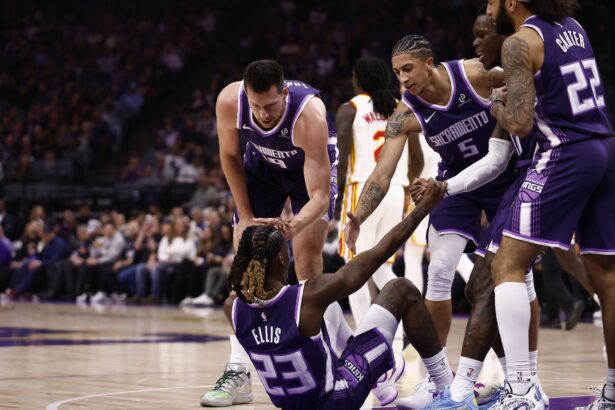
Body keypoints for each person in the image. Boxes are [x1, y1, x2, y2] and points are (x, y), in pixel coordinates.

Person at [343, 33, 516, 408]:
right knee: (438, 271)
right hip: (454, 185)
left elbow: (522, 76)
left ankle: (520, 380)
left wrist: (510, 108)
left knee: (509, 279)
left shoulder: (474, 75)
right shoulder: (405, 114)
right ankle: (439, 381)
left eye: (408, 69)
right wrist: (357, 216)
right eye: (396, 73)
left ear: (429, 63)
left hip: (505, 175)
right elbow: (382, 175)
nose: (402, 79)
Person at [484, 0, 615, 408]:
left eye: (491, 1)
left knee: (506, 263)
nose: (488, 9)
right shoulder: (574, 26)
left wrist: (498, 106)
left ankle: (521, 391)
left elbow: (521, 123)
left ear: (511, 3)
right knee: (607, 278)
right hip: (605, 146)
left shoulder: (519, 42)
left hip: (567, 150)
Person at [225, 181, 454, 410]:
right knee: (402, 289)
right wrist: (423, 208)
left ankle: (383, 378)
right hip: (338, 400)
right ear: (282, 259)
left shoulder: (232, 308)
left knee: (330, 312)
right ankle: (445, 386)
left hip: (293, 404)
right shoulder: (307, 298)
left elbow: (263, 310)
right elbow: (379, 252)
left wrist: (260, 236)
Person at [201, 59, 338, 406]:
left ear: (285, 94)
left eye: (271, 105)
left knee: (306, 264)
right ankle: (238, 372)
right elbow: (229, 156)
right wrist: (245, 217)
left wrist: (293, 227)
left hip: (308, 175)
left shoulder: (310, 117)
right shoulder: (230, 101)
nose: (262, 114)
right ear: (246, 95)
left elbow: (319, 196)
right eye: (257, 106)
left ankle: (322, 355)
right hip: (262, 168)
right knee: (248, 264)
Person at [335, 56, 423, 328]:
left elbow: (339, 158)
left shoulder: (350, 108)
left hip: (363, 190)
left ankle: (363, 331)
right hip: (396, 191)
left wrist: (335, 195)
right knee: (382, 266)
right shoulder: (401, 108)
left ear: (358, 79)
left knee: (355, 266)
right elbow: (416, 159)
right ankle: (413, 313)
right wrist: (409, 185)